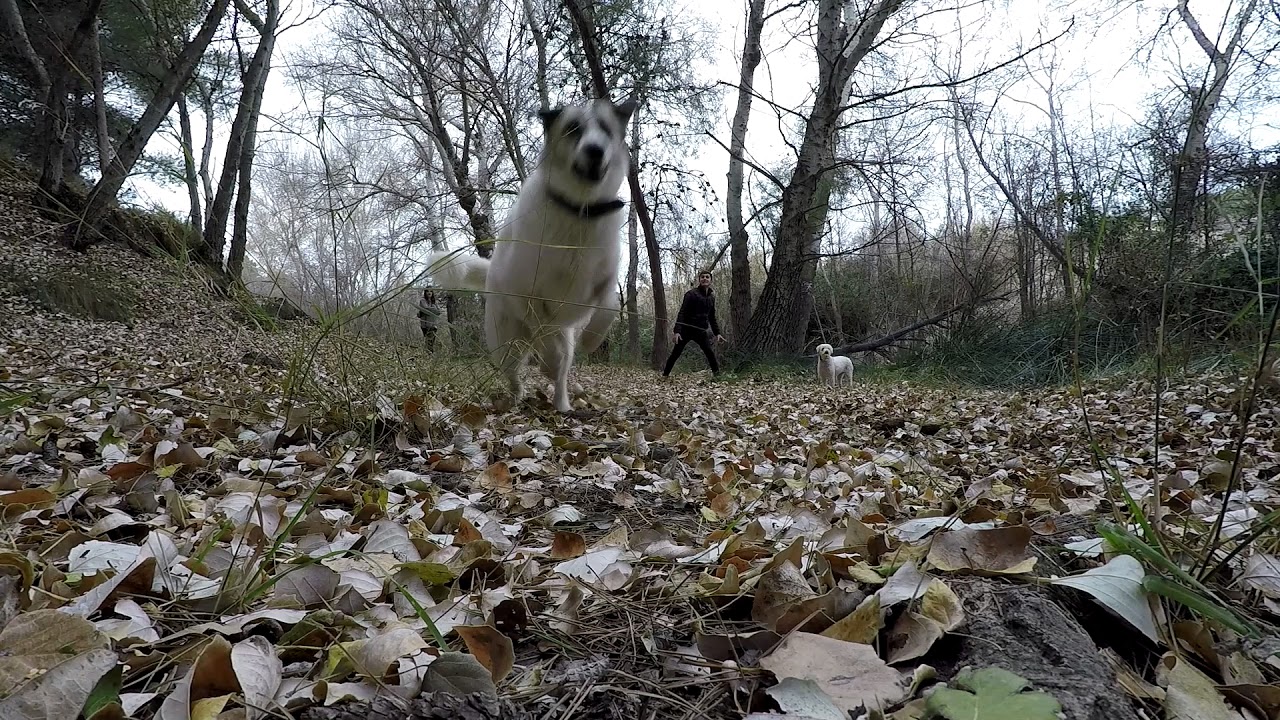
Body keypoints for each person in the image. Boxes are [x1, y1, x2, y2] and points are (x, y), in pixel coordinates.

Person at [663, 270, 725, 377]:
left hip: (700, 331)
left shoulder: (711, 297)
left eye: (707, 277)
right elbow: (682, 312)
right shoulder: (691, 294)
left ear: (710, 280)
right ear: (699, 280)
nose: (705, 279)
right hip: (685, 330)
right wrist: (677, 331)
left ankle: (718, 376)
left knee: (709, 353)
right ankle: (665, 376)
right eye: (702, 277)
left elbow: (712, 317)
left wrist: (717, 333)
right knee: (675, 353)